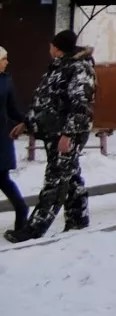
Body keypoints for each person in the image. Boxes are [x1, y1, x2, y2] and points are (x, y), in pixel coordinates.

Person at [6, 30, 94, 243]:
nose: (49, 48)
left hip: (66, 134)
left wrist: (68, 134)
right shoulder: (59, 67)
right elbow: (47, 101)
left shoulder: (79, 68)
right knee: (70, 176)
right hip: (55, 132)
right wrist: (27, 123)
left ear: (57, 47)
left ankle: (34, 230)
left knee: (55, 180)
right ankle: (78, 221)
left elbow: (80, 104)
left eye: (51, 45)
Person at [1, 45, 28, 238]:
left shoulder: (6, 81)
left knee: (2, 178)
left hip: (1, 137)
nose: (7, 62)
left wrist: (26, 121)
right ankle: (21, 211)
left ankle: (21, 211)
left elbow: (12, 109)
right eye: (4, 59)